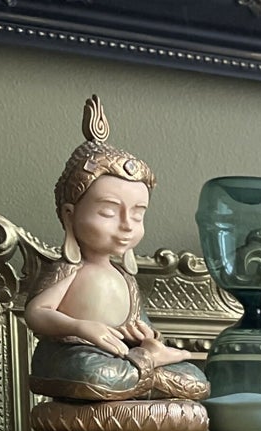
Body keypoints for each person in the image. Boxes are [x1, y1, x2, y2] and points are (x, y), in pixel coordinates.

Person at [25, 96, 209, 405]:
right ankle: (147, 368)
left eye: (137, 214)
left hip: (122, 357)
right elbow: (37, 314)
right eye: (109, 213)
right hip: (73, 355)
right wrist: (81, 327)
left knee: (196, 380)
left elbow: (139, 325)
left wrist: (147, 341)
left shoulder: (124, 278)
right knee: (94, 374)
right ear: (70, 215)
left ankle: (145, 366)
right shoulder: (69, 268)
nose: (126, 225)